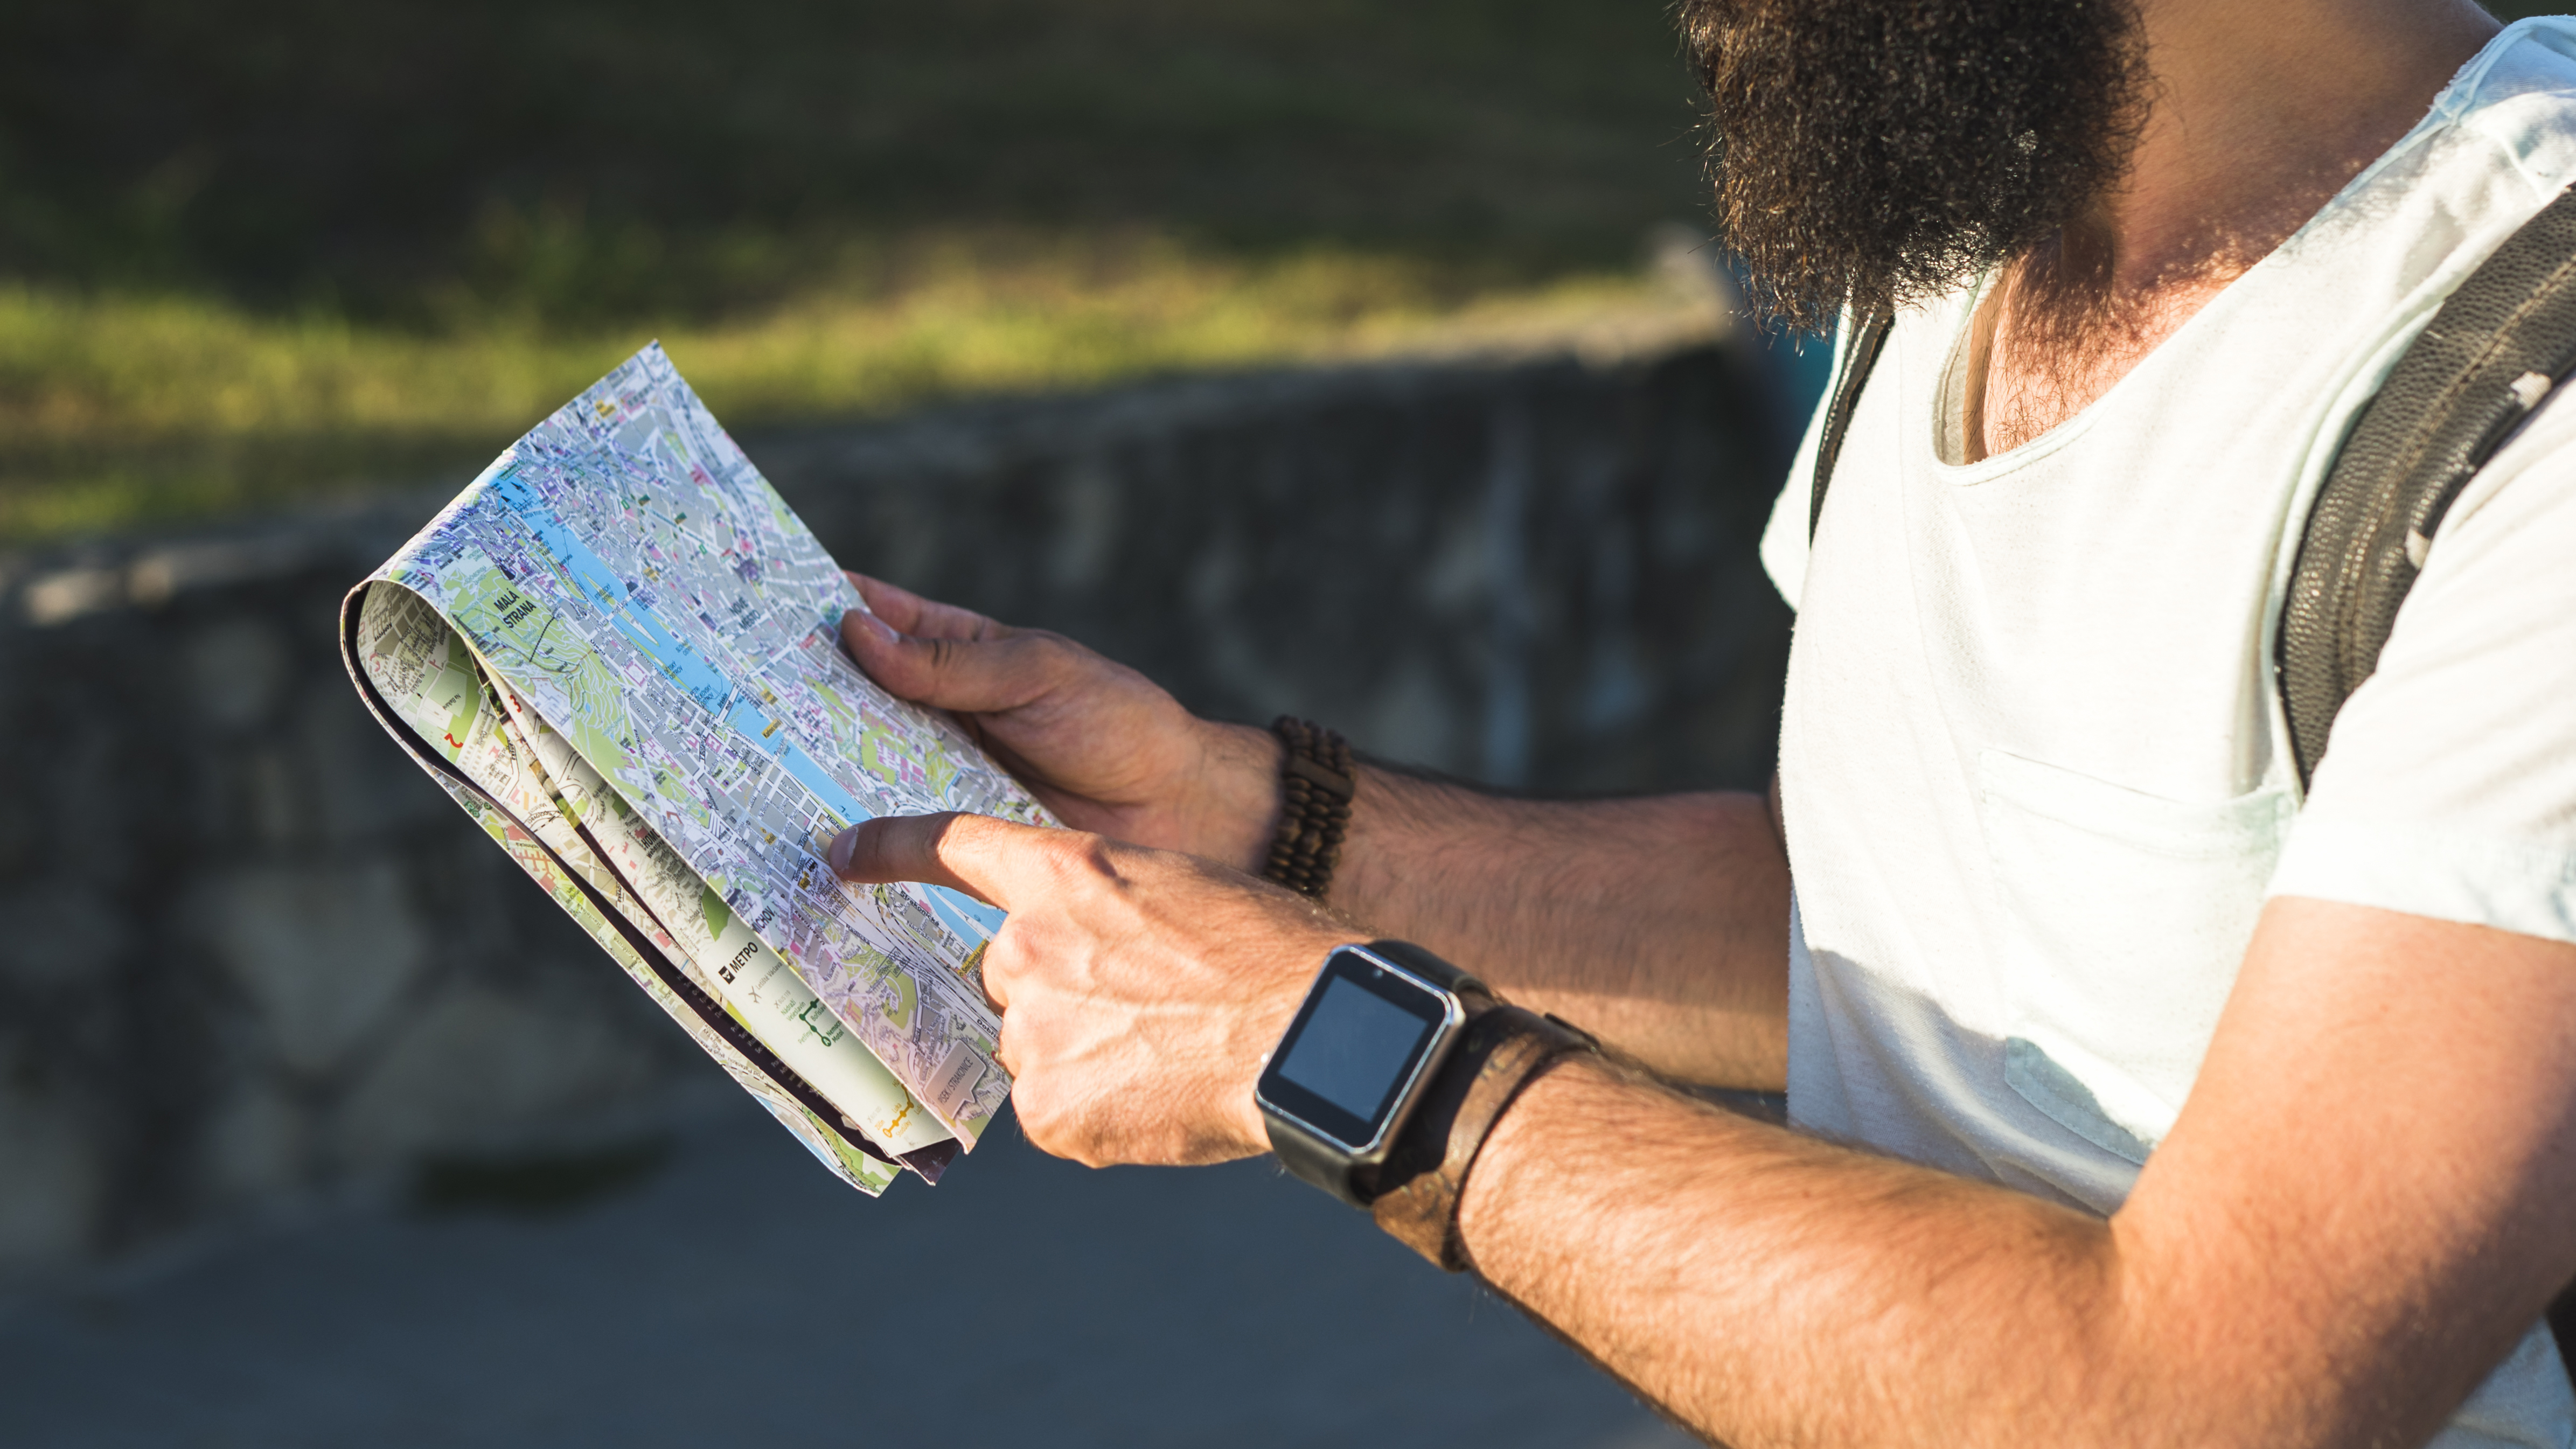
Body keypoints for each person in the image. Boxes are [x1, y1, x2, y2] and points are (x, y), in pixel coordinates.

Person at [824, 0, 2576, 1443]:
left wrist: (1327, 1044)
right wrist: (1254, 824)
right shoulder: (1968, 242)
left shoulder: (2527, 407)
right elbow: (1885, 909)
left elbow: (2196, 1398)